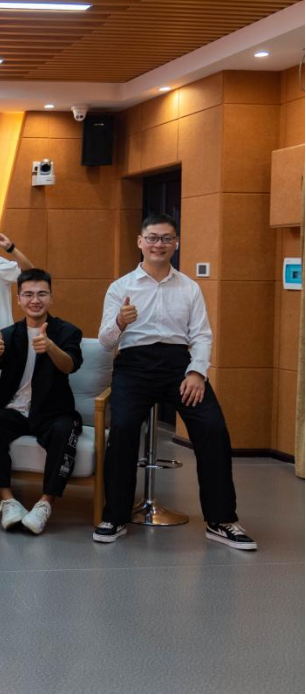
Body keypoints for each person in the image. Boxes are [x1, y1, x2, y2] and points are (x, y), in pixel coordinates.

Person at [94, 213, 256, 550]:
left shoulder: (189, 288)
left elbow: (202, 335)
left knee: (213, 429)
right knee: (122, 429)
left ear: (176, 243)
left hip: (179, 367)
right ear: (140, 242)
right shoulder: (121, 287)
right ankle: (115, 515)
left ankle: (221, 520)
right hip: (135, 366)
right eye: (153, 238)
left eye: (167, 238)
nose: (159, 244)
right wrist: (120, 322)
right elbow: (106, 342)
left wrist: (197, 372)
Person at [0, 269, 83, 535]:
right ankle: (8, 501)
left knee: (65, 430)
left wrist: (50, 347)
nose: (35, 300)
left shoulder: (68, 331)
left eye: (42, 294)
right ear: (19, 299)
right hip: (16, 410)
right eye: (29, 294)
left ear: (51, 297)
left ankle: (45, 504)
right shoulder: (10, 334)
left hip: (52, 411)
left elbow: (70, 366)